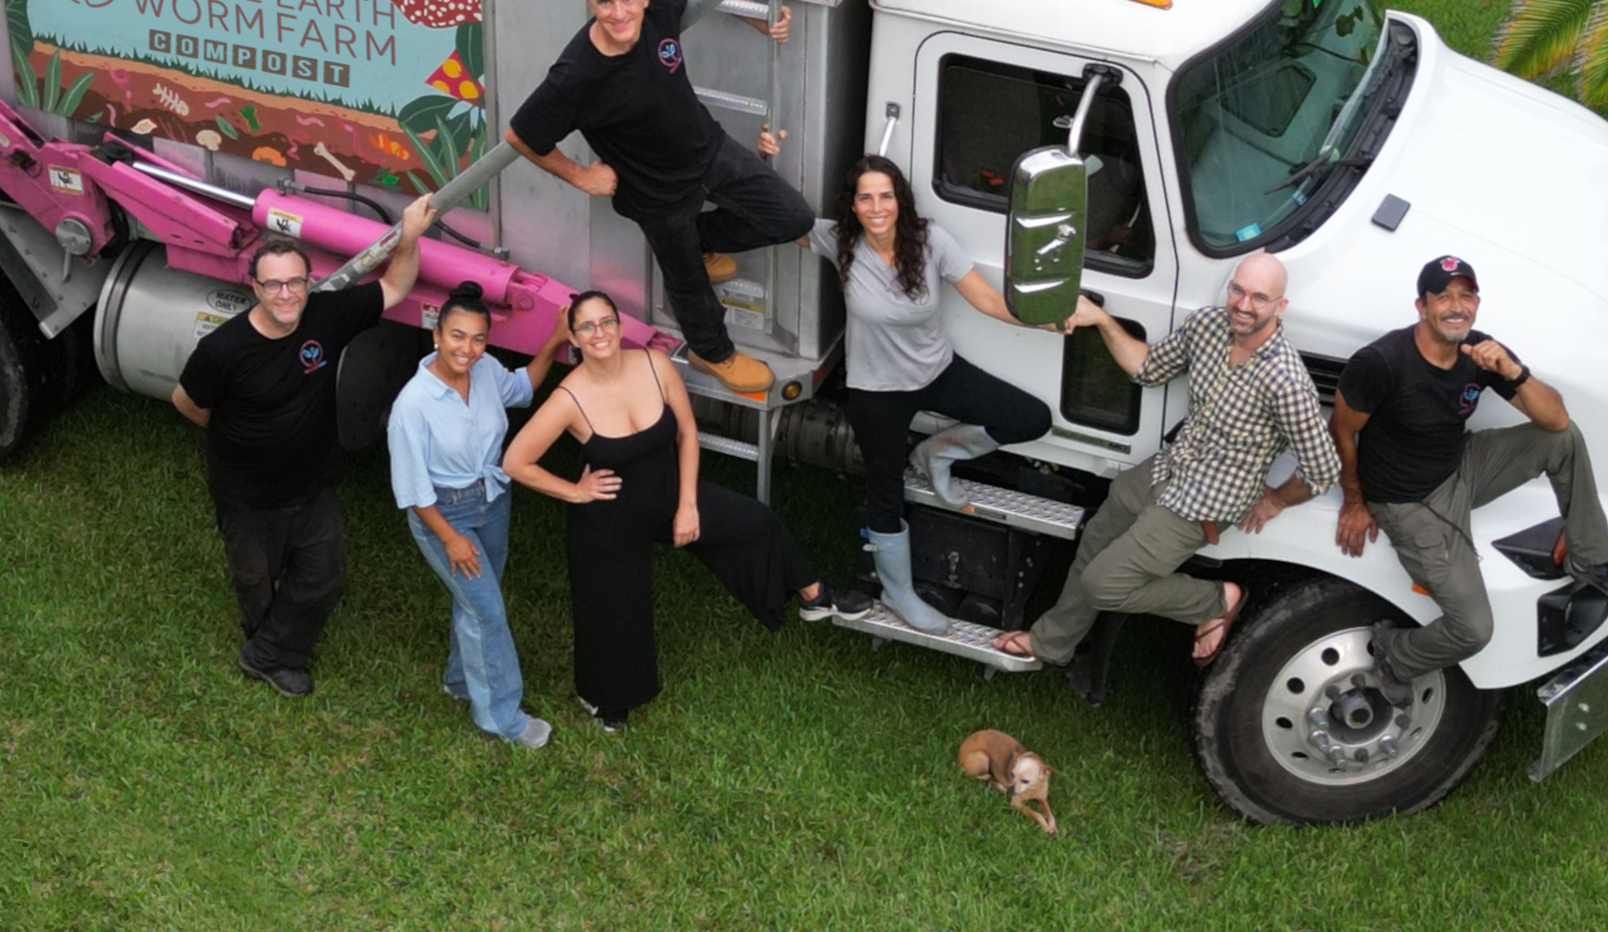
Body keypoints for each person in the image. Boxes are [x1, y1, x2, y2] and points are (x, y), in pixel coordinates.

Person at [505, 287, 842, 730]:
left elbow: (686, 434)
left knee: (753, 520)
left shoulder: (655, 364)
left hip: (669, 493)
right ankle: (606, 699)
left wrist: (687, 507)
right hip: (609, 516)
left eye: (606, 321)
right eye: (586, 326)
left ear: (620, 325)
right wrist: (576, 491)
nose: (599, 332)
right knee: (613, 609)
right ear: (574, 338)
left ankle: (810, 592)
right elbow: (516, 461)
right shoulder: (569, 398)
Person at [1330, 253, 1608, 704]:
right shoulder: (1382, 362)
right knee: (1473, 629)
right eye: (1442, 296)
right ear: (1421, 306)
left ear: (1477, 303)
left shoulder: (1480, 352)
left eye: (1466, 296)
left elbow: (1557, 419)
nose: (1455, 306)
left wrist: (1512, 371)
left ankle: (1593, 560)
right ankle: (1397, 654)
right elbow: (1342, 430)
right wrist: (1354, 501)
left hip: (1460, 463)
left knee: (1562, 440)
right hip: (1410, 499)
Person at [991, 250, 1333, 679]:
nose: (1244, 306)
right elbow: (1149, 369)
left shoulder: (1286, 381)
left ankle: (1215, 601)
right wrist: (1100, 320)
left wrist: (1277, 501)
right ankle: (1052, 642)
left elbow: (1322, 468)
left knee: (1105, 584)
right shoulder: (1208, 326)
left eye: (1259, 298)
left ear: (1280, 307)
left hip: (1205, 501)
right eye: (1238, 291)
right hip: (1168, 468)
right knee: (1096, 536)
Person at [507, 0, 810, 400]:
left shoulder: (660, 8)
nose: (619, 13)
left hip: (707, 149)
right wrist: (581, 178)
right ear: (590, 2)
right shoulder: (575, 76)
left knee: (792, 217)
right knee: (688, 284)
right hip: (654, 194)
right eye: (606, 2)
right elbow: (520, 135)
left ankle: (701, 239)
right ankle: (714, 351)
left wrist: (758, 21)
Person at [170, 197, 434, 697]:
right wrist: (240, 435)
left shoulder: (327, 315)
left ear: (309, 282)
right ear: (255, 287)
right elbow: (187, 402)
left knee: (323, 578)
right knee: (253, 579)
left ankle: (267, 656)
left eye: (295, 282)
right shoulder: (222, 350)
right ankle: (266, 640)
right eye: (273, 284)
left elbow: (395, 286)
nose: (286, 294)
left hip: (311, 484)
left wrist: (411, 235)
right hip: (245, 491)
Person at [812, 153, 1063, 633]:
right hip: (875, 390)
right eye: (865, 197)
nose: (877, 206)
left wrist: (1048, 319)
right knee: (884, 497)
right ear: (853, 205)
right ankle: (899, 593)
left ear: (900, 199)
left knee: (1030, 418)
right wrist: (763, 157)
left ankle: (936, 452)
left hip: (937, 371)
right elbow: (780, 217)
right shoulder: (839, 240)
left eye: (885, 195)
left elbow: (987, 299)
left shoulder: (929, 241)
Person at [388, 282, 573, 750]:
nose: (466, 349)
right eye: (456, 336)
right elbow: (412, 491)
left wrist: (554, 338)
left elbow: (525, 386)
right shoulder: (413, 404)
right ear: (436, 335)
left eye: (477, 339)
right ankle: (502, 718)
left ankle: (459, 680)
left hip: (493, 501)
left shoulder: (487, 370)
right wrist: (449, 538)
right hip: (443, 513)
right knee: (488, 612)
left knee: (474, 603)